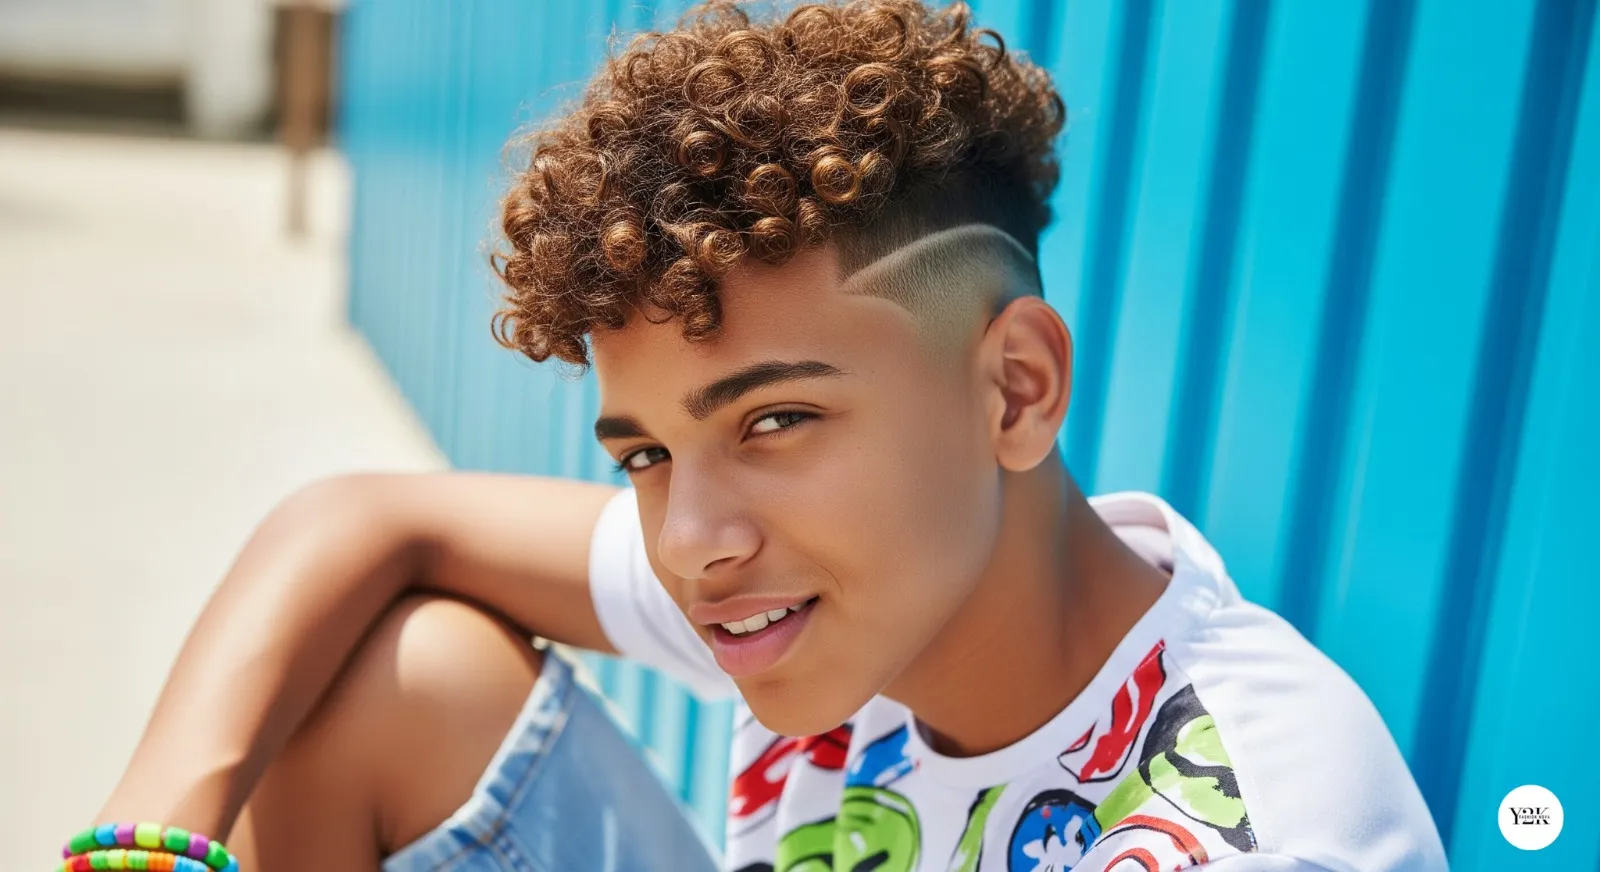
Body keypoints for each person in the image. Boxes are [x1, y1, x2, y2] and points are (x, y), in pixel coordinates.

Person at [85, 1, 1448, 870]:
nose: (694, 543)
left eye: (777, 420)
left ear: (1014, 394)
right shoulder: (838, 587)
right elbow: (368, 524)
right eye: (647, 453)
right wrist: (145, 843)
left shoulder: (1257, 828)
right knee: (396, 674)